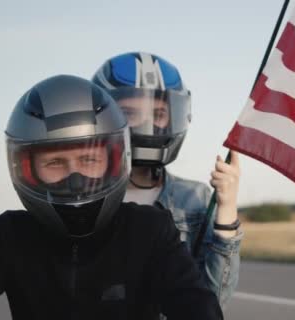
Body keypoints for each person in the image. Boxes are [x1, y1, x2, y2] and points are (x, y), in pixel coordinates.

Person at [0, 75, 223, 320]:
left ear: (115, 160)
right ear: (26, 170)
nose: (75, 178)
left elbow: (197, 308)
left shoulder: (149, 230)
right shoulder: (6, 236)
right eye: (55, 162)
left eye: (89, 159)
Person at [92, 52, 242, 308]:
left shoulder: (194, 199)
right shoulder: (85, 199)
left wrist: (227, 209)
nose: (146, 124)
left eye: (158, 113)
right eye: (129, 112)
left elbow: (212, 301)